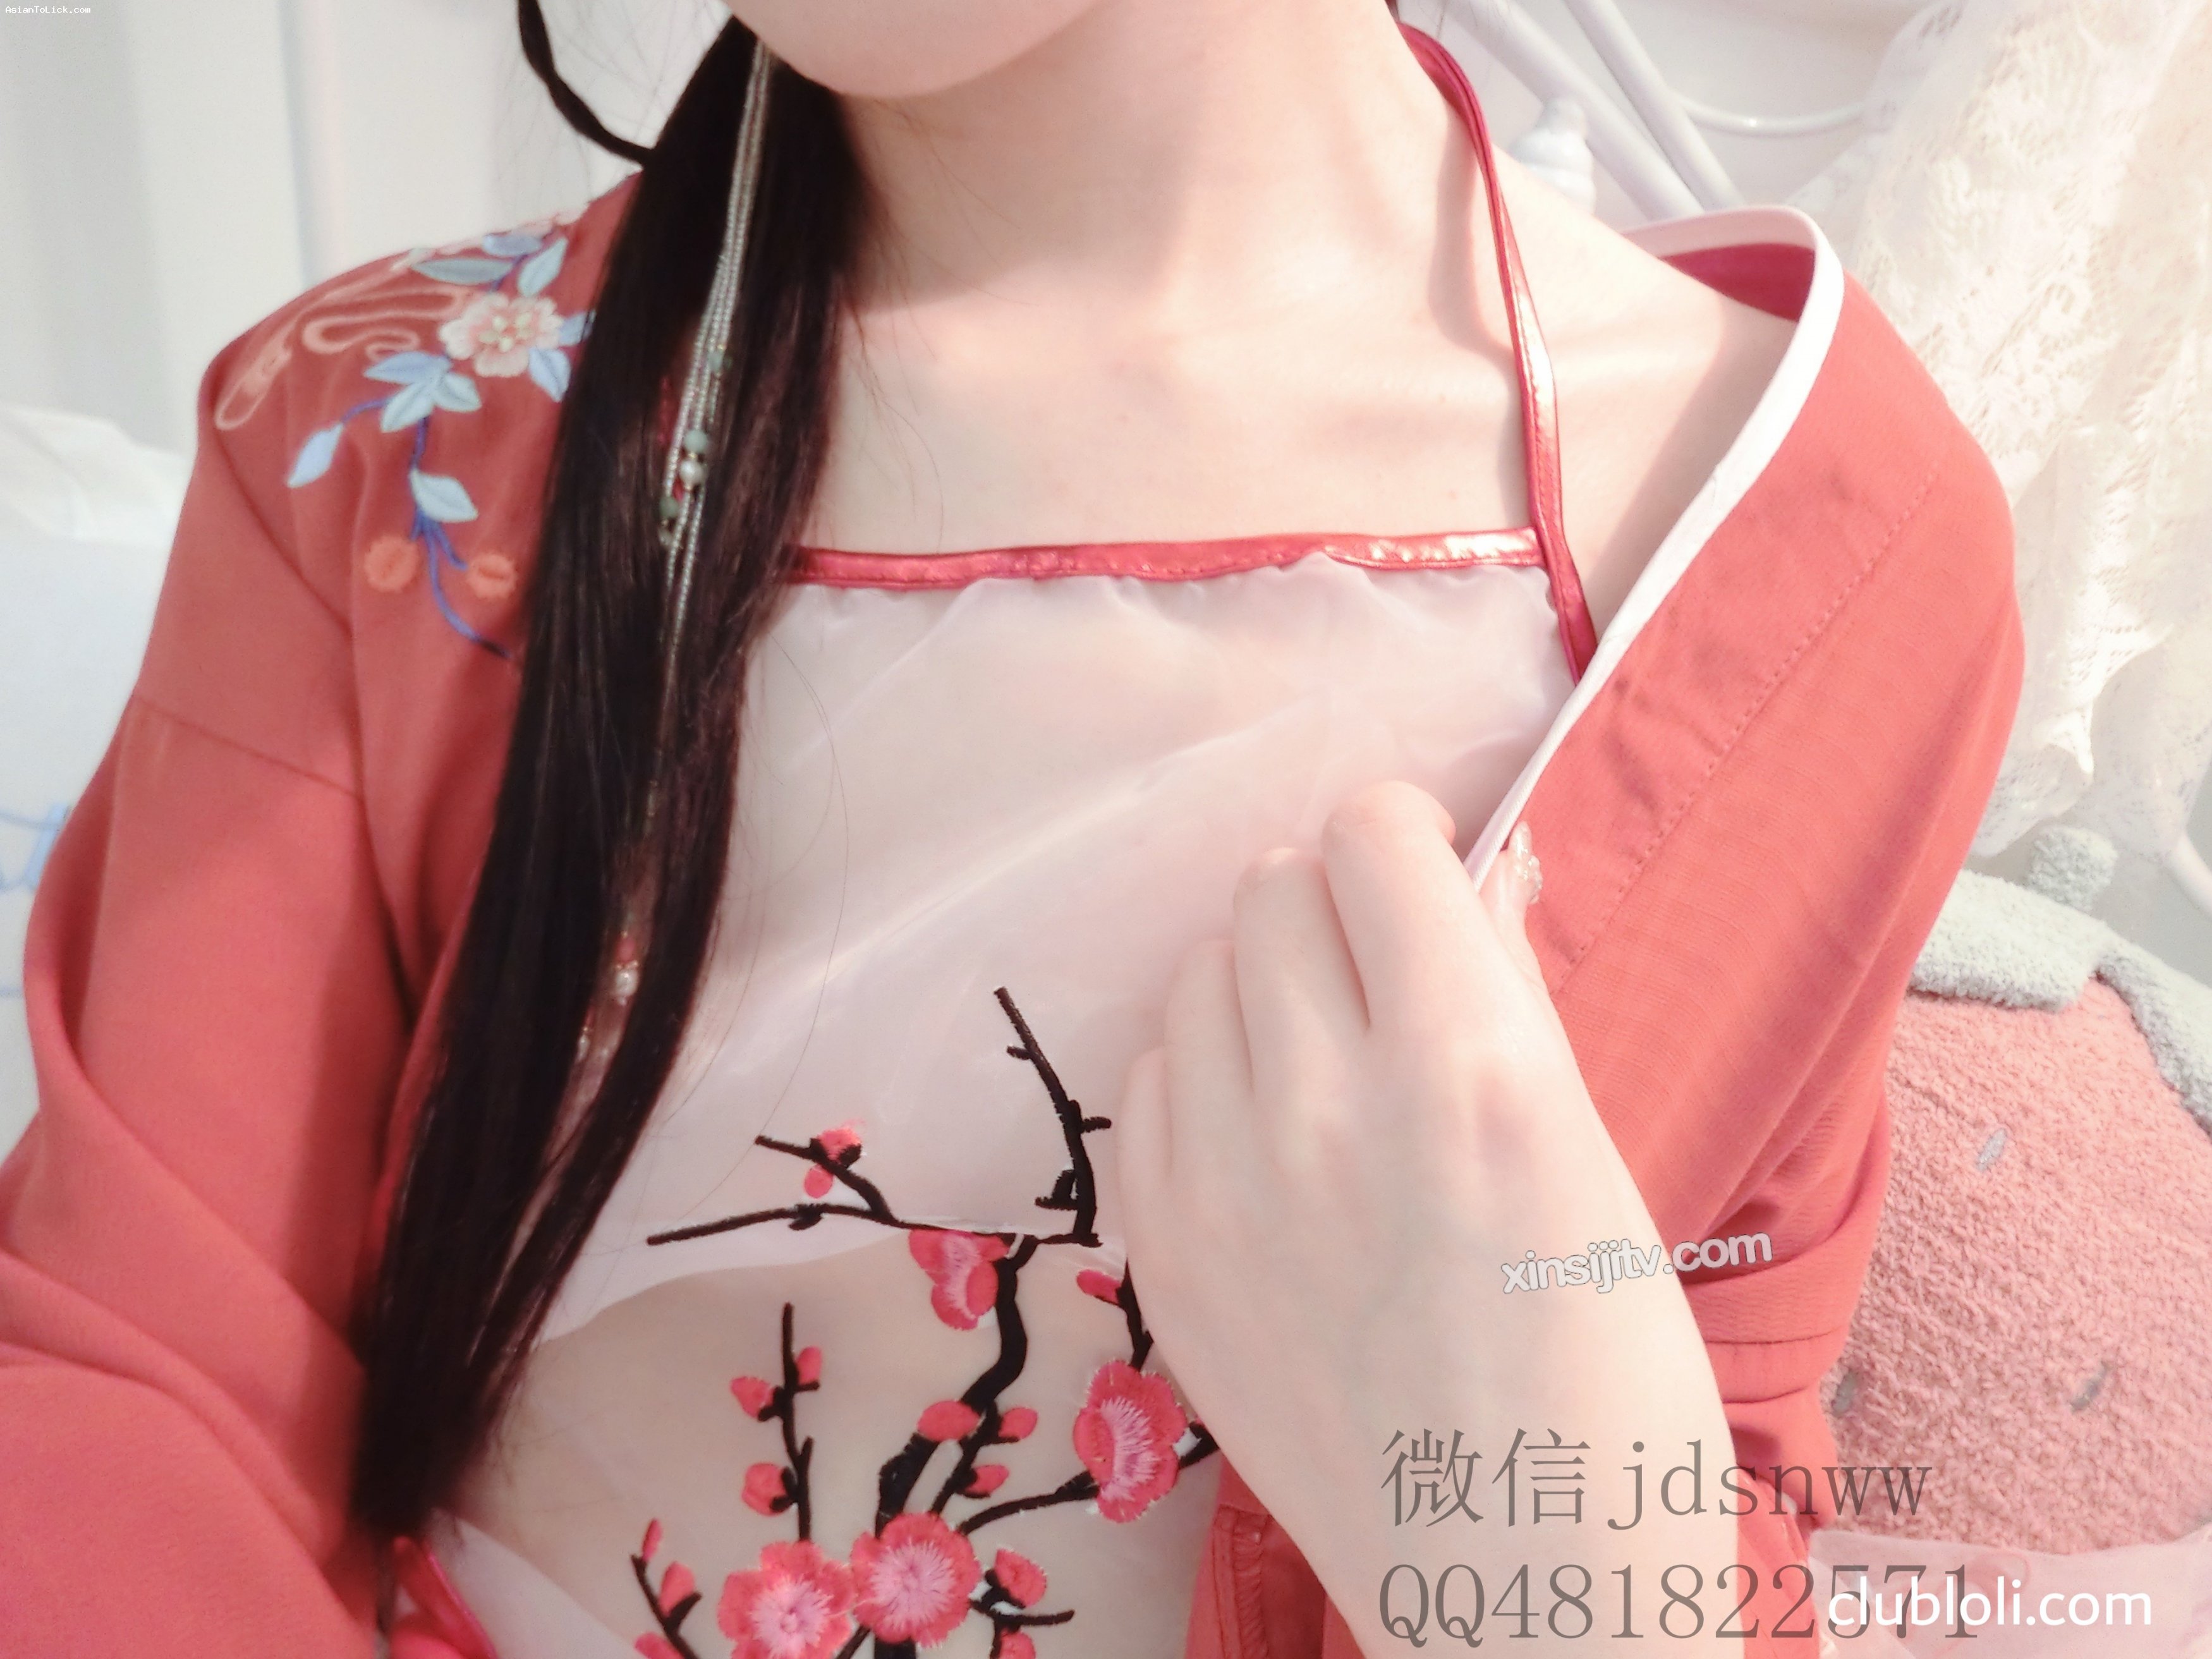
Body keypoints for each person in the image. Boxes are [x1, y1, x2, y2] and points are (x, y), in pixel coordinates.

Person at [0, 1, 2021, 1655]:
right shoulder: (384, 446)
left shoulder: (1798, 535)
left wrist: (1536, 1574)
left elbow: (1704, 1479)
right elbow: (126, 1410)